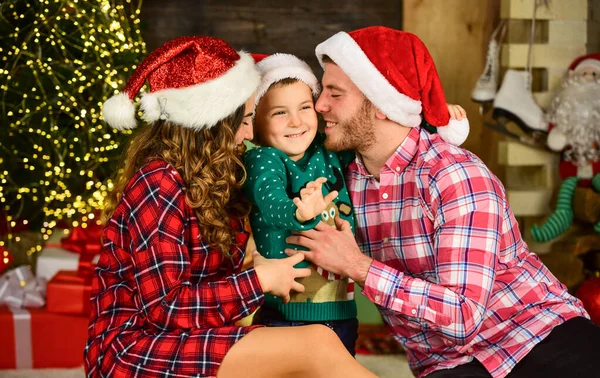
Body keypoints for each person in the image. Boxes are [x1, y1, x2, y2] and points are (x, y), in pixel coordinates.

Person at [285, 26, 600, 378]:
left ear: (383, 106)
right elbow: (275, 134)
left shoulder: (454, 176)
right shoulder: (343, 180)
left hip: (535, 337)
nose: (319, 104)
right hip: (449, 365)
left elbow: (463, 316)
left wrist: (358, 266)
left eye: (335, 93)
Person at [84, 36, 376, 378]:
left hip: (192, 336)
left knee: (310, 349)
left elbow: (215, 291)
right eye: (245, 119)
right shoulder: (158, 183)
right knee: (316, 345)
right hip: (136, 348)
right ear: (212, 125)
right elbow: (165, 307)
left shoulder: (217, 178)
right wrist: (258, 279)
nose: (250, 131)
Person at [243, 53, 359, 355]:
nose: (296, 122)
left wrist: (431, 121)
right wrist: (299, 211)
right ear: (256, 124)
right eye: (280, 113)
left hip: (341, 308)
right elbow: (270, 202)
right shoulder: (264, 158)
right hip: (287, 315)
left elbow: (371, 141)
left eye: (305, 107)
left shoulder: (328, 150)